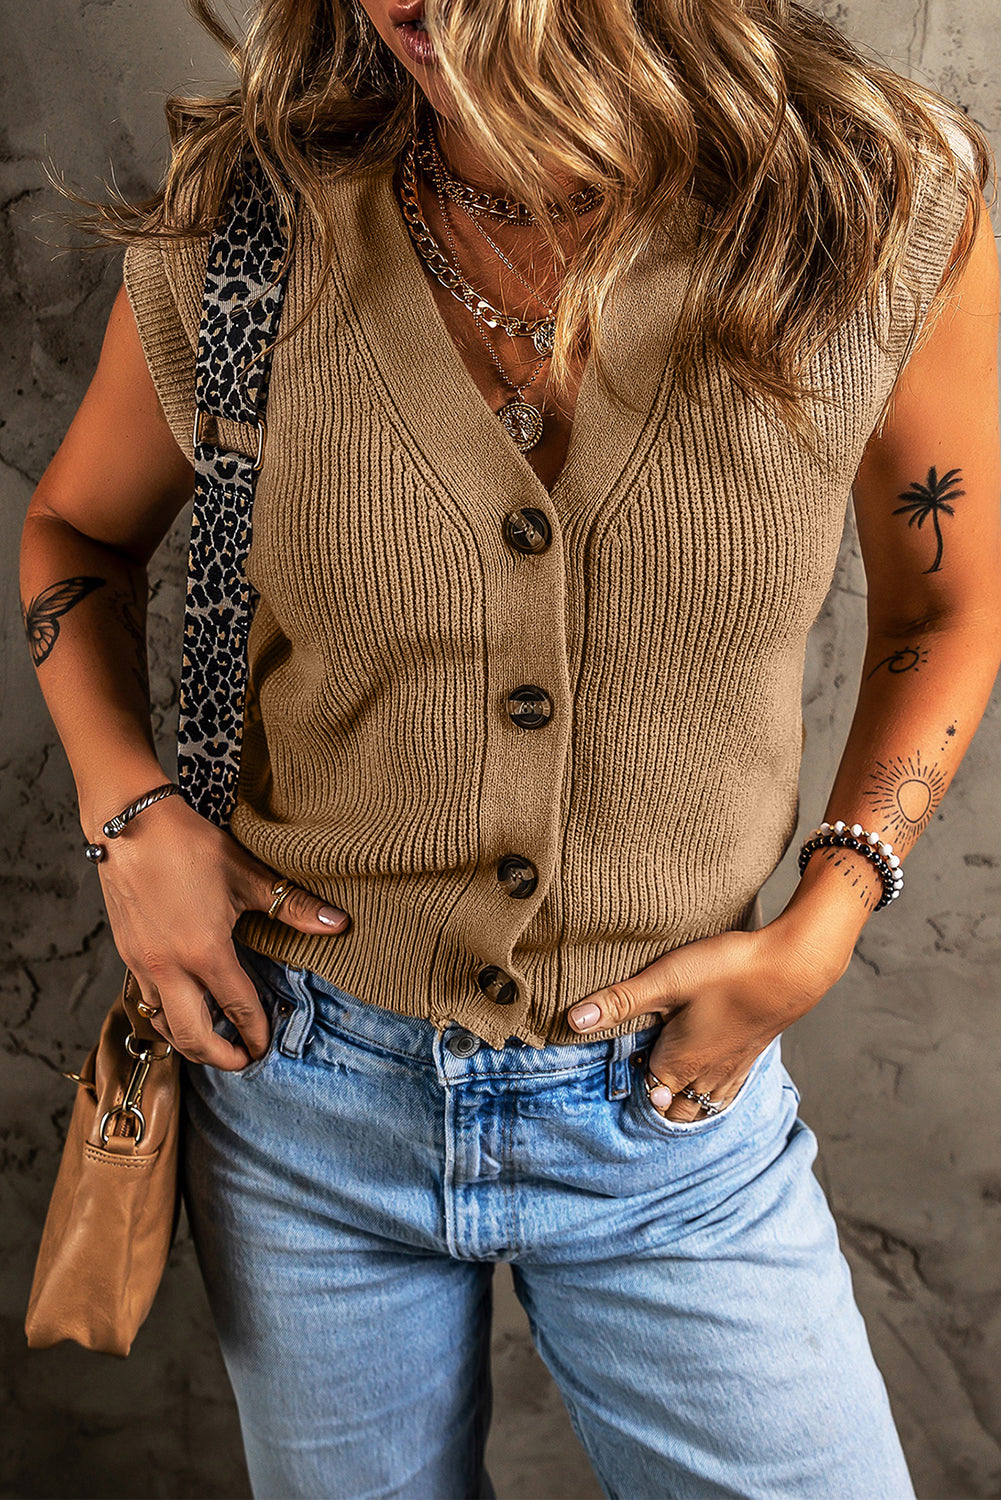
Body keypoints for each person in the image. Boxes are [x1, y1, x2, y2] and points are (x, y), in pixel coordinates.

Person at [20, 0, 1001, 1495]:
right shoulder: (251, 220)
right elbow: (74, 529)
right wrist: (127, 813)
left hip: (671, 1117)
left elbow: (951, 599)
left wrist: (831, 913)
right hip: (302, 1096)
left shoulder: (864, 205)